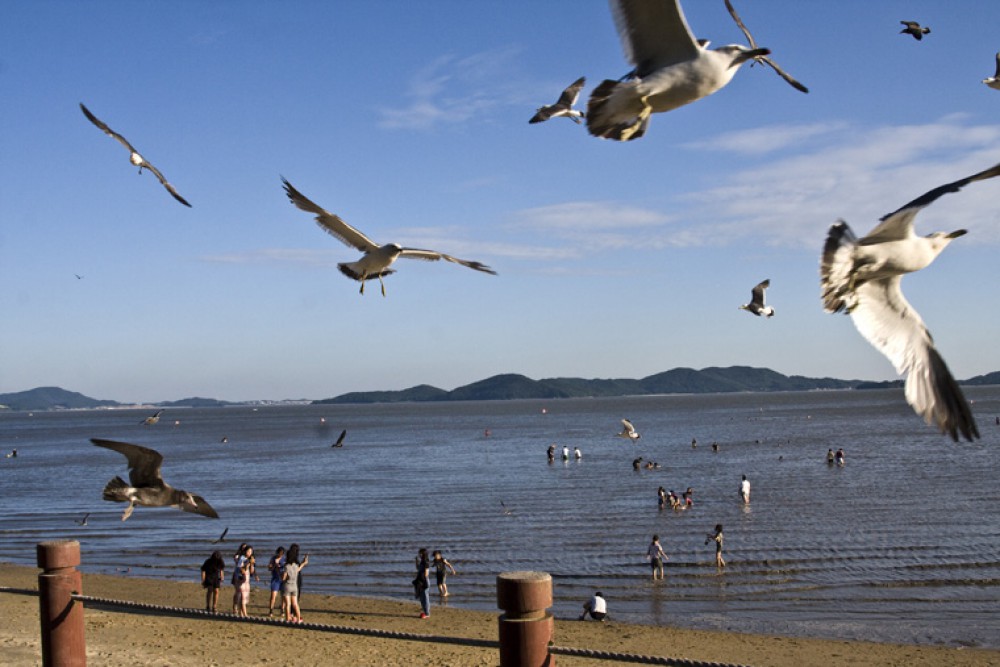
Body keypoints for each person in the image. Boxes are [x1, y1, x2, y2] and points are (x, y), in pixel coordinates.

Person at [282, 544, 309, 622]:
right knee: (295, 604)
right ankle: (298, 618)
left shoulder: (286, 566)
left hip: (287, 586)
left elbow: (283, 578)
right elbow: (299, 569)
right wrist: (304, 563)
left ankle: (287, 619)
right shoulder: (296, 566)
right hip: (294, 586)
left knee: (288, 604)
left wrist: (280, 573)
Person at [232, 544, 254, 617]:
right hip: (240, 579)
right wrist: (248, 564)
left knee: (244, 596)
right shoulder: (242, 558)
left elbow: (251, 572)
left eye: (251, 551)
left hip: (246, 580)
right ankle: (245, 614)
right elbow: (241, 569)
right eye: (248, 551)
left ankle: (241, 613)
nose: (250, 553)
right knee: (242, 596)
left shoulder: (250, 559)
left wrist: (252, 564)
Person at [267, 546, 286, 617]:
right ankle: (271, 610)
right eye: (279, 553)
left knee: (283, 596)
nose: (280, 555)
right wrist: (274, 565)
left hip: (283, 579)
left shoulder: (285, 559)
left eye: (282, 553)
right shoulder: (273, 558)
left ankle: (282, 610)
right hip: (275, 579)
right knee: (273, 596)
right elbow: (269, 568)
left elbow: (286, 568)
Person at [413, 548, 431, 618]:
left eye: (420, 553)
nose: (419, 555)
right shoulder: (422, 561)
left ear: (423, 554)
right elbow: (418, 568)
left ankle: (427, 613)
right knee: (422, 597)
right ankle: (425, 611)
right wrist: (416, 561)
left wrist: (421, 579)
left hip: (424, 581)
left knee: (425, 597)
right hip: (421, 580)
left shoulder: (426, 561)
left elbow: (426, 573)